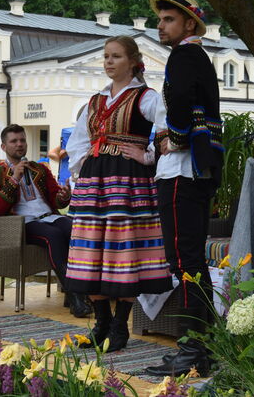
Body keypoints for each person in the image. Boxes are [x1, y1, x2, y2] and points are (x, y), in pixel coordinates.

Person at [65, 35, 172, 353]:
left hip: (128, 182)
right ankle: (100, 325)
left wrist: (148, 156)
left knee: (124, 252)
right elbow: (79, 141)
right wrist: (82, 168)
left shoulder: (146, 97)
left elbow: (167, 129)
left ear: (132, 60)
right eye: (106, 56)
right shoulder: (95, 101)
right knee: (92, 252)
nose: (109, 61)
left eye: (115, 56)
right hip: (95, 182)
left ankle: (120, 327)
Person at [144, 0, 224, 377]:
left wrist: (171, 137)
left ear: (189, 24)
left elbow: (179, 106)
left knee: (185, 259)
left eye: (168, 19)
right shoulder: (193, 56)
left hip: (182, 170)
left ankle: (194, 346)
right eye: (160, 19)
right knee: (189, 259)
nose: (160, 25)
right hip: (189, 170)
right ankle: (200, 346)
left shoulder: (185, 56)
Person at [0, 124, 92, 318]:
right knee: (54, 236)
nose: (19, 144)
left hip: (50, 216)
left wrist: (64, 195)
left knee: (77, 229)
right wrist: (14, 179)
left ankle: (81, 290)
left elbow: (55, 199)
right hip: (22, 223)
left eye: (22, 140)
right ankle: (76, 296)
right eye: (14, 141)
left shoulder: (39, 169)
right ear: (3, 146)